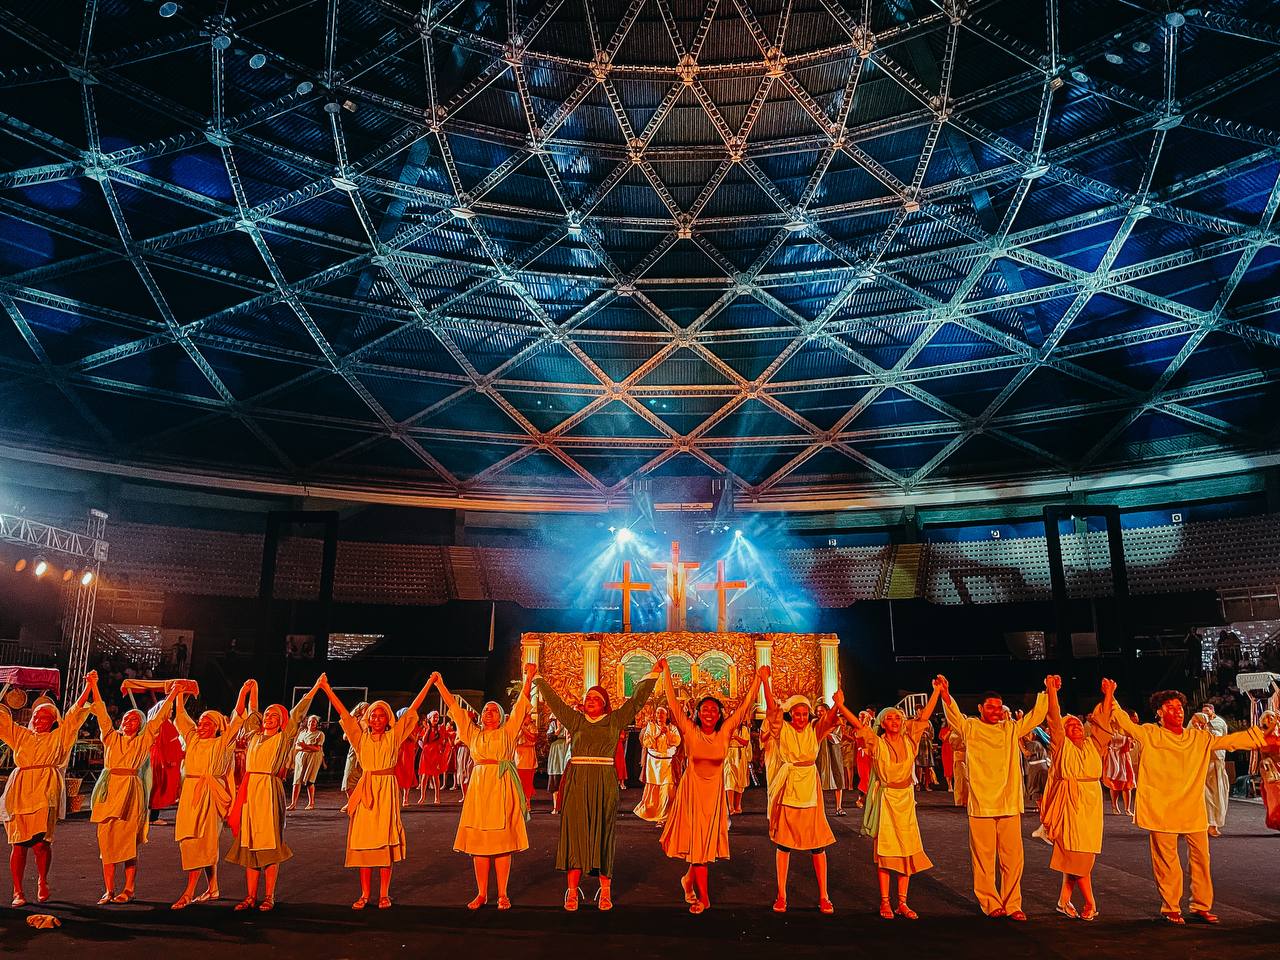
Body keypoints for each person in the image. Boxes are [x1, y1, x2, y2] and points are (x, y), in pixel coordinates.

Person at [1102, 679, 1280, 924]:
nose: (1178, 711)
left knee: (1201, 858)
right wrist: (1110, 695)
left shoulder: (1197, 737)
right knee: (1167, 861)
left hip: (1191, 806)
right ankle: (1171, 907)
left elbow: (1229, 742)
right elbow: (1123, 722)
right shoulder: (1151, 733)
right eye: (1171, 707)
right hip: (1161, 807)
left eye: (1180, 707)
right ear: (1159, 712)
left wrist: (1262, 736)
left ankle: (1201, 905)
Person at [533, 661, 662, 911]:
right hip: (578, 781)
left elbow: (636, 701)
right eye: (588, 697)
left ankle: (605, 890)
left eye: (596, 698)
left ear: (604, 703)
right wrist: (536, 677)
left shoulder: (614, 720)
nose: (590, 700)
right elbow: (554, 702)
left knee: (603, 832)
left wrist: (653, 674)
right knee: (575, 833)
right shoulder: (576, 720)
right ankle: (572, 891)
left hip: (604, 781)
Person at [317, 675, 432, 910]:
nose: (377, 719)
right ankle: (364, 893)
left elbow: (412, 710)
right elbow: (344, 715)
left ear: (388, 718)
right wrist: (327, 689)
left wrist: (430, 684)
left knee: (384, 841)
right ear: (368, 719)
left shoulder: (394, 736)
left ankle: (384, 894)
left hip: (386, 790)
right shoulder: (360, 738)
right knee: (364, 841)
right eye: (373, 715)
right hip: (366, 791)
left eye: (381, 715)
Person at [939, 674, 1049, 920]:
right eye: (990, 707)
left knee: (1013, 858)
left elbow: (1035, 718)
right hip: (981, 803)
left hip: (1008, 801)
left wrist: (1047, 691)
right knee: (983, 858)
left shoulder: (1009, 728)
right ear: (980, 708)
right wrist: (945, 694)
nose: (996, 711)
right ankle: (990, 902)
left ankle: (1013, 904)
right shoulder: (971, 727)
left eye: (999, 707)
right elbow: (954, 717)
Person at [657, 661, 763, 914]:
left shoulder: (725, 731)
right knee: (699, 847)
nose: (709, 713)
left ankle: (688, 880)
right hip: (692, 793)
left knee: (703, 845)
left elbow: (744, 706)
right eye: (704, 709)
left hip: (714, 795)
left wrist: (759, 679)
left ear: (719, 714)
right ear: (698, 712)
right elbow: (672, 703)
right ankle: (704, 898)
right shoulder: (690, 730)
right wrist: (666, 673)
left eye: (714, 710)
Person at [837, 681, 942, 920]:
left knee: (906, 851)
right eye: (890, 718)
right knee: (886, 852)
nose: (895, 721)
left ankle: (902, 902)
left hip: (906, 800)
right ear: (882, 723)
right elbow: (858, 726)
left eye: (898, 718)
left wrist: (936, 691)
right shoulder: (877, 743)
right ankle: (885, 901)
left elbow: (925, 716)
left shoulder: (910, 739)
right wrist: (841, 706)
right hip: (886, 800)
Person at [436, 664, 536, 909]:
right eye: (485, 710)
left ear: (501, 717)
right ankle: (481, 893)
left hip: (501, 787)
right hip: (480, 789)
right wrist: (440, 685)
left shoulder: (508, 732)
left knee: (501, 844)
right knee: (479, 844)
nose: (488, 713)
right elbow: (455, 709)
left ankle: (502, 893)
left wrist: (529, 678)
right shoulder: (473, 734)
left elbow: (520, 707)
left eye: (493, 710)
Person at [225, 675, 323, 912]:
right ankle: (250, 896)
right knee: (249, 843)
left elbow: (298, 713)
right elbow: (252, 712)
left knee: (269, 844)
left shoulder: (284, 737)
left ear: (281, 722)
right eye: (267, 715)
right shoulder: (254, 735)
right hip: (250, 788)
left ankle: (269, 896)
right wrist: (250, 690)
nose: (268, 718)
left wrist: (316, 688)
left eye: (274, 716)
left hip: (269, 788)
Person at [0, 674, 93, 907]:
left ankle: (42, 880)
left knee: (41, 842)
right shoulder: (21, 735)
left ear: (53, 721)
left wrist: (89, 687)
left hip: (45, 788)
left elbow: (73, 716)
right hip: (20, 789)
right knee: (18, 843)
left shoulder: (59, 736)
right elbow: (2, 722)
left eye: (44, 717)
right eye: (36, 716)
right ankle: (18, 890)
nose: (39, 720)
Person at [88, 676, 179, 904]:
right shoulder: (111, 738)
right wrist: (94, 685)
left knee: (128, 842)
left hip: (130, 791)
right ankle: (109, 889)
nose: (129, 721)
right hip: (108, 791)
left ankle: (129, 888)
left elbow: (158, 719)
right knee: (106, 841)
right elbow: (101, 714)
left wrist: (173, 695)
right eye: (127, 718)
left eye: (135, 719)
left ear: (141, 725)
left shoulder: (143, 741)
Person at [759, 666, 838, 914]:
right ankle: (781, 895)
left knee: (818, 845)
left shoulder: (815, 730)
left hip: (810, 790)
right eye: (797, 714)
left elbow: (831, 719)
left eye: (805, 714)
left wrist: (838, 704)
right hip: (789, 787)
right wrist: (765, 682)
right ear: (791, 715)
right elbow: (771, 711)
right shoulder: (782, 729)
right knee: (784, 844)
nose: (802, 718)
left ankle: (824, 895)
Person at [171, 681, 251, 909]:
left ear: (217, 727)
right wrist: (179, 694)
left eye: (208, 723)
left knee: (203, 841)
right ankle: (213, 887)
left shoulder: (223, 742)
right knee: (190, 839)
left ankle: (188, 892)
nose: (201, 725)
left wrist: (243, 692)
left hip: (211, 794)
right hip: (190, 793)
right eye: (200, 722)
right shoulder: (193, 739)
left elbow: (237, 718)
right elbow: (181, 717)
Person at [1039, 675, 1107, 921]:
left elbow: (1104, 725)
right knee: (1077, 854)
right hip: (1070, 801)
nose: (1076, 727)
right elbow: (1053, 718)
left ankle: (1063, 901)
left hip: (1092, 803)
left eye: (1078, 724)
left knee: (1080, 855)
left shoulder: (1092, 745)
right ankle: (1090, 902)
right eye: (1071, 726)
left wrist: (1109, 695)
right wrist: (1051, 691)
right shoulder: (1060, 746)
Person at [633, 707, 681, 824]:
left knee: (667, 788)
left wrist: (667, 733)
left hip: (668, 762)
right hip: (654, 762)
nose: (660, 715)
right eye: (658, 713)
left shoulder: (672, 728)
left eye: (663, 713)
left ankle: (665, 816)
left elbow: (677, 741)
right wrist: (658, 733)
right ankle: (654, 813)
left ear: (667, 716)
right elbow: (646, 742)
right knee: (654, 786)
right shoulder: (651, 727)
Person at [1188, 713, 1230, 838]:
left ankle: (1212, 824)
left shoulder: (1213, 734)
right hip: (1197, 770)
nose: (1196, 724)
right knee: (1201, 797)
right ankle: (1198, 824)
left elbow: (1219, 747)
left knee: (1214, 797)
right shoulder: (1189, 735)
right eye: (1194, 722)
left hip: (1214, 769)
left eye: (1199, 722)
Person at [288, 716, 325, 811]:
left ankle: (311, 803)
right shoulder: (302, 733)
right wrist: (306, 747)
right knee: (296, 781)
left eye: (314, 722)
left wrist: (305, 746)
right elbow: (297, 747)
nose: (311, 723)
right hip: (300, 757)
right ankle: (293, 804)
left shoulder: (319, 734)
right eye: (310, 721)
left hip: (313, 758)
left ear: (317, 723)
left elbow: (317, 748)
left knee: (309, 781)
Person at [338, 702, 369, 814]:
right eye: (366, 708)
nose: (368, 709)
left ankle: (361, 803)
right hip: (354, 752)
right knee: (348, 780)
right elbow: (345, 737)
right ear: (360, 710)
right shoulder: (355, 721)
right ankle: (352, 802)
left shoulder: (371, 721)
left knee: (364, 780)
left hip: (367, 751)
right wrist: (354, 726)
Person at [1102, 724, 1136, 816]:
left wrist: (1130, 741)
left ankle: (1127, 809)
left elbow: (1131, 744)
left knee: (1127, 785)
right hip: (1112, 758)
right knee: (1114, 784)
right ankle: (1114, 806)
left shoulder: (1125, 729)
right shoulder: (1106, 729)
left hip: (1123, 757)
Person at [417, 712, 450, 805]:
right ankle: (422, 796)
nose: (436, 719)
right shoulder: (425, 728)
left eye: (437, 717)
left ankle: (437, 797)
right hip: (426, 754)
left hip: (436, 753)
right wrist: (428, 729)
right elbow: (424, 741)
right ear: (429, 718)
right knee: (425, 776)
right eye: (434, 717)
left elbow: (443, 740)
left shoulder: (440, 728)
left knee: (436, 776)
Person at [1258, 709, 1280, 832]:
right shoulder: (1262, 733)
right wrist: (1274, 724)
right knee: (1276, 796)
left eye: (1272, 717)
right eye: (1268, 718)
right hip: (1270, 768)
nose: (1271, 719)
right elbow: (1262, 743)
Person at [725, 719, 752, 816]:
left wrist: (736, 737)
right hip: (729, 754)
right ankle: (730, 806)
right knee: (729, 780)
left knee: (740, 781)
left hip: (740, 754)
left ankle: (737, 805)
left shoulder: (744, 729)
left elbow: (745, 742)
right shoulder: (727, 728)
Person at [545, 716, 569, 814]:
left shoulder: (568, 722)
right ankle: (556, 807)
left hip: (566, 748)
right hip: (556, 750)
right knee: (555, 780)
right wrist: (557, 730)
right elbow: (549, 738)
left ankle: (565, 806)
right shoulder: (553, 724)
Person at [515, 713, 538, 805]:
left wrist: (524, 729)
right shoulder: (516, 726)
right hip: (518, 759)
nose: (530, 719)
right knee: (518, 782)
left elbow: (533, 739)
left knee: (527, 782)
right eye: (528, 717)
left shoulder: (532, 727)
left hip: (528, 759)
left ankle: (527, 803)